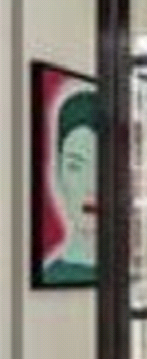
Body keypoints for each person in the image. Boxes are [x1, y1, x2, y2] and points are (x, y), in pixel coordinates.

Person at [41, 88, 98, 285]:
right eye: (76, 166)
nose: (91, 186)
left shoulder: (143, 271)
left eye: (103, 167)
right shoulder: (51, 276)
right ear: (58, 171)